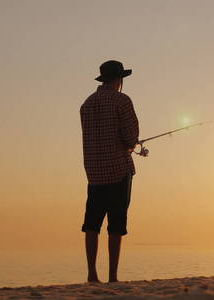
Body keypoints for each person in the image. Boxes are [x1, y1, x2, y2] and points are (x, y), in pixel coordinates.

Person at [79, 60, 139, 283]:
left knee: (92, 224)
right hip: (118, 169)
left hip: (94, 173)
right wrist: (131, 145)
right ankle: (113, 276)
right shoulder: (121, 101)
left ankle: (91, 274)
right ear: (118, 79)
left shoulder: (86, 104)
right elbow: (130, 136)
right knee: (116, 224)